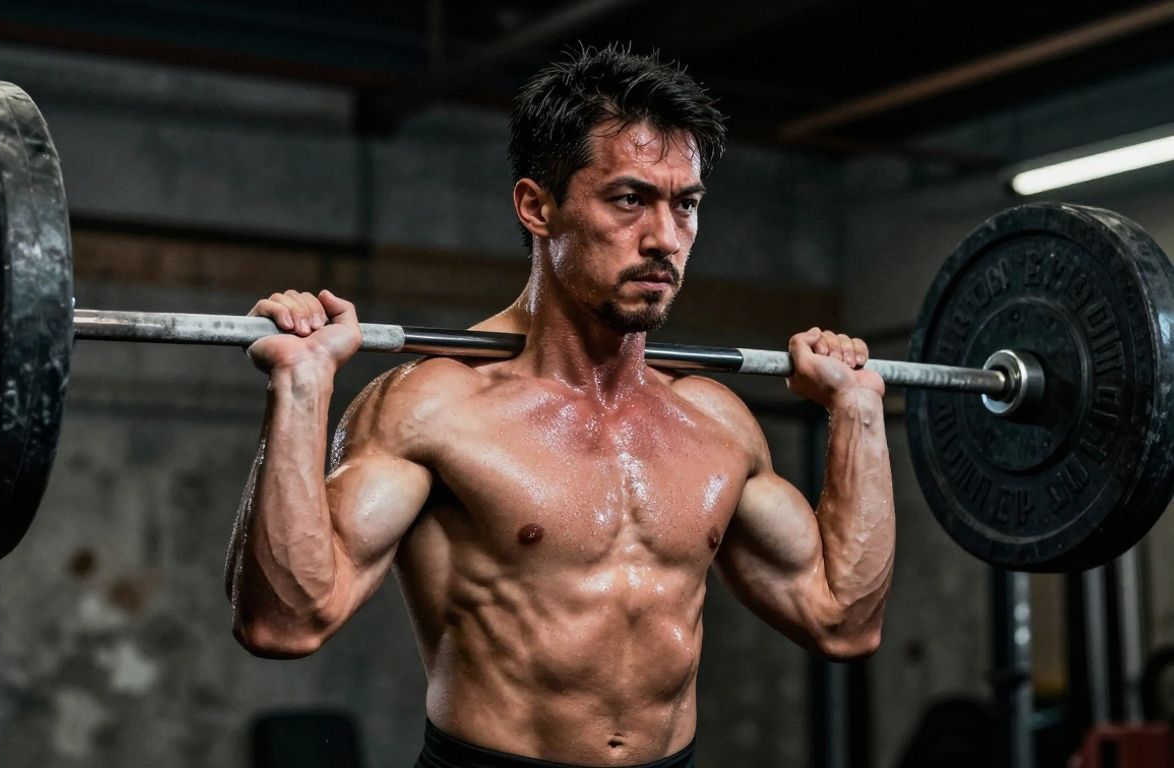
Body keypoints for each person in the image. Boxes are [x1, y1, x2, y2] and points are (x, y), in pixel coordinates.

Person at [226, 43, 894, 768]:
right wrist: (299, 389)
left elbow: (843, 620)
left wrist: (856, 413)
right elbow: (283, 624)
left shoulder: (716, 423)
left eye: (687, 204)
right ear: (537, 206)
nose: (665, 239)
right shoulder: (436, 409)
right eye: (630, 198)